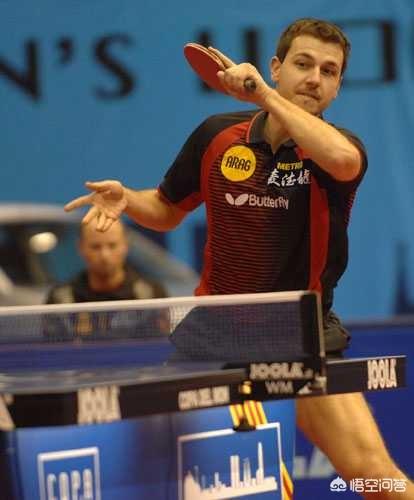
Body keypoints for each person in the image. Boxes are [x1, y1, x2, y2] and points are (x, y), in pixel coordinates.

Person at [64, 18, 413, 498]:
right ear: (277, 66)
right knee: (169, 472)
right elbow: (166, 209)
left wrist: (264, 95)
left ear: (337, 87)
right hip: (214, 334)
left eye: (329, 71)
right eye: (303, 64)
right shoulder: (217, 136)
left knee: (374, 477)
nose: (315, 78)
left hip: (299, 335)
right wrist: (129, 199)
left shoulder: (338, 150)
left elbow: (343, 161)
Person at [45, 218, 168, 340]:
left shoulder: (151, 295)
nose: (105, 255)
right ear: (81, 247)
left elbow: (162, 346)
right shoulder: (60, 299)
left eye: (112, 245)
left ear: (125, 245)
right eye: (95, 247)